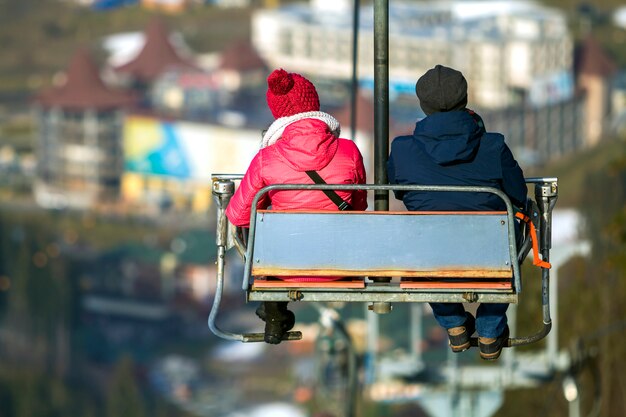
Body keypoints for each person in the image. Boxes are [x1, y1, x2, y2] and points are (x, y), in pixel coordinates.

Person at [387, 64, 527, 360]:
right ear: (465, 100)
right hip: (488, 252)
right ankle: (490, 327)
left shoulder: (401, 150)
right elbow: (518, 195)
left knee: (423, 240)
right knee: (513, 231)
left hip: (431, 257)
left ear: (423, 105)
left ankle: (453, 323)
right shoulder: (493, 146)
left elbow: (399, 191)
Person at [225, 68, 368, 344]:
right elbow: (359, 207)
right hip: (338, 266)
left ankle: (275, 315)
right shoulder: (349, 151)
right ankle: (274, 314)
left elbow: (239, 215)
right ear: (314, 104)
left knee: (260, 233)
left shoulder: (267, 158)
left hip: (283, 268)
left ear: (279, 114)